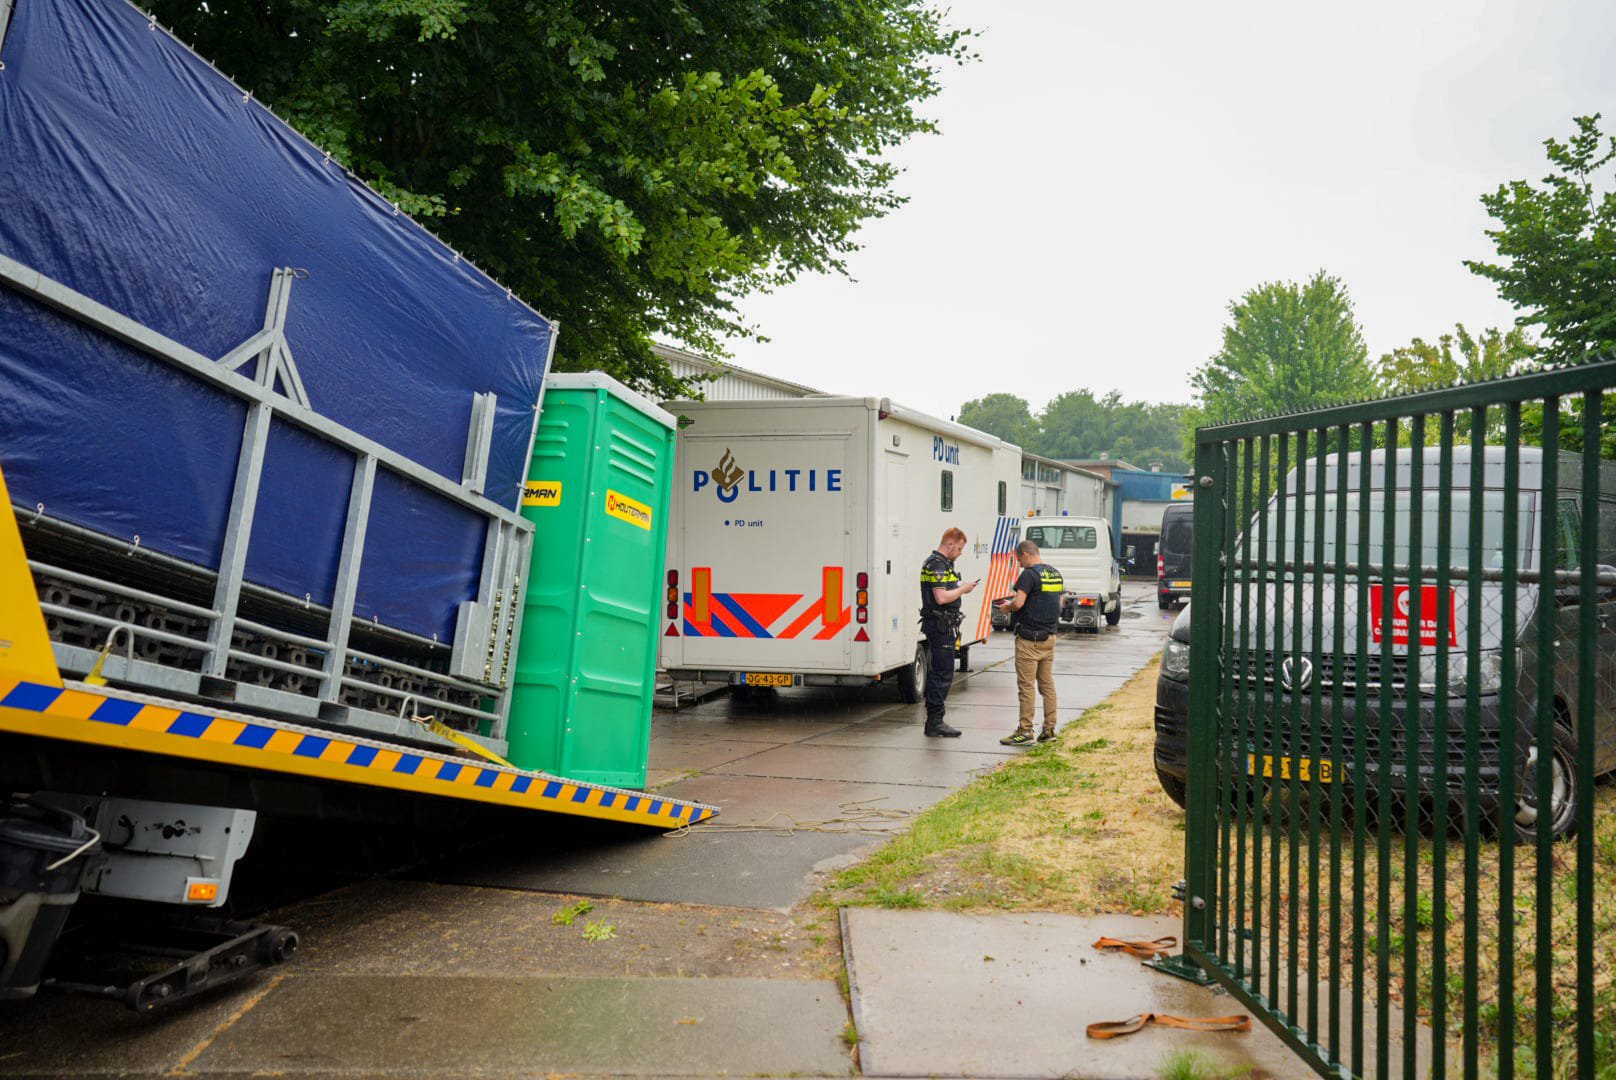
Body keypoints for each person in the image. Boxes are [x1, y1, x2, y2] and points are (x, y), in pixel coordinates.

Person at [997, 539, 1062, 746]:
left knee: (1026, 686)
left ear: (1025, 554)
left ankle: (1025, 731)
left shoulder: (1029, 574)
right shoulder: (1054, 573)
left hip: (1029, 640)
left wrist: (1007, 607)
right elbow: (1058, 603)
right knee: (1047, 685)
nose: (1019, 564)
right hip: (1049, 638)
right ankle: (1049, 729)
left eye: (1019, 559)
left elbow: (1018, 602)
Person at [918, 527, 976, 737]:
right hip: (940, 625)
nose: (960, 553)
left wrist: (960, 585)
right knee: (942, 672)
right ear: (950, 544)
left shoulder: (941, 564)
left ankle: (935, 720)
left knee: (942, 671)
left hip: (943, 624)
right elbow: (941, 597)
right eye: (959, 548)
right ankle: (935, 721)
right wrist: (963, 590)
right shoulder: (937, 565)